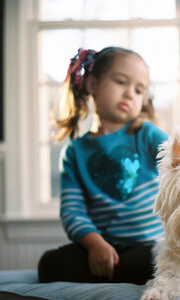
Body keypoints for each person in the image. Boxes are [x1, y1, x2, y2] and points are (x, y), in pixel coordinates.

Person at [38, 46, 168, 285]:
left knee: (159, 261)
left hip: (152, 246)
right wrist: (94, 244)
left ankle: (119, 272)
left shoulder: (146, 135)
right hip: (106, 248)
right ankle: (111, 268)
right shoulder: (75, 153)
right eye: (121, 82)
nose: (130, 93)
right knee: (51, 264)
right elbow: (72, 211)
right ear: (92, 85)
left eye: (139, 90)